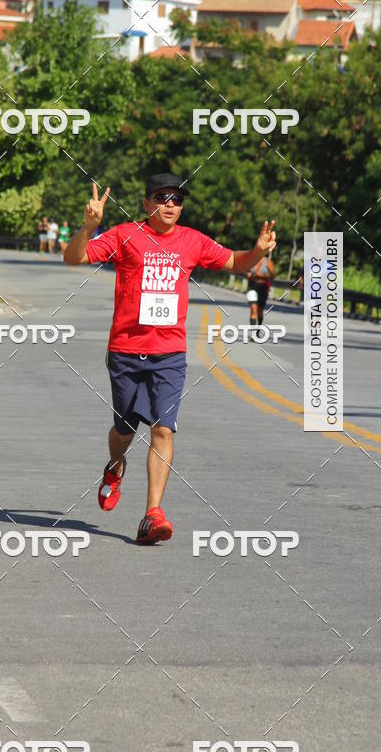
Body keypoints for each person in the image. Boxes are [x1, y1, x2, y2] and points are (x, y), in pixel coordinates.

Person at [64, 173, 276, 545]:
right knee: (125, 430)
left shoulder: (192, 241)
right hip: (126, 351)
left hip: (170, 354)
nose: (171, 205)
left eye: (178, 199)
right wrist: (88, 226)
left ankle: (152, 514)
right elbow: (73, 257)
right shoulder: (125, 234)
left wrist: (257, 252)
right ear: (146, 204)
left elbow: (235, 262)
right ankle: (114, 468)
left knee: (162, 428)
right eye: (162, 197)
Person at [246, 252, 275, 335]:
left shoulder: (268, 262)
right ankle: (253, 333)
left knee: (260, 311)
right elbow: (248, 274)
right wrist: (254, 273)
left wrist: (261, 275)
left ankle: (258, 329)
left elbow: (272, 276)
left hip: (263, 288)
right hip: (252, 287)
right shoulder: (251, 261)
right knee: (253, 310)